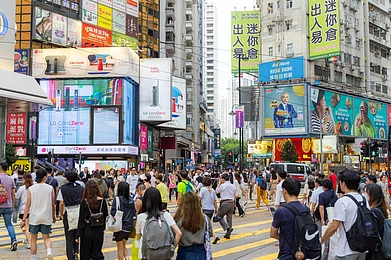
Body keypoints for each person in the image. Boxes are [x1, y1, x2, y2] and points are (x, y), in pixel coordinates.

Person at [321, 170, 369, 259]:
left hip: (346, 250)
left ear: (343, 183)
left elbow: (334, 227)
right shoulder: (364, 199)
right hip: (362, 248)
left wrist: (321, 240)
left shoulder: (342, 201)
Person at [135, 187, 182, 259]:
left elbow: (138, 236)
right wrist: (172, 248)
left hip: (148, 254)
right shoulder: (166, 215)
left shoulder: (141, 217)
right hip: (165, 254)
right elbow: (179, 233)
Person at [270, 177, 308, 260]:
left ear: (284, 191)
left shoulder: (281, 211)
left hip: (287, 254)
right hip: (302, 254)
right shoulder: (306, 209)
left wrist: (285, 238)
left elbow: (272, 234)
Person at [21, 168, 56, 260]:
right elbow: (53, 204)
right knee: (46, 237)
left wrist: (24, 219)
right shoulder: (50, 188)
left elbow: (28, 205)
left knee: (33, 239)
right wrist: (54, 217)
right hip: (46, 217)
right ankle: (49, 251)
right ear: (44, 177)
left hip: (34, 218)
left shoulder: (31, 189)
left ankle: (33, 257)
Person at [174, 192, 212, 259]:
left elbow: (173, 236)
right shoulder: (204, 218)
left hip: (184, 252)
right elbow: (209, 233)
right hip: (201, 252)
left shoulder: (179, 219)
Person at [76, 180, 108, 260]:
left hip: (87, 229)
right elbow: (105, 216)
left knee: (85, 253)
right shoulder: (103, 201)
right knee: (97, 253)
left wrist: (78, 235)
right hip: (99, 230)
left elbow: (81, 219)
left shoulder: (84, 202)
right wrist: (103, 228)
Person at [58, 170, 84, 260]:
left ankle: (70, 257)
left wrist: (61, 214)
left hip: (68, 212)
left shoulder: (63, 188)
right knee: (77, 235)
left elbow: (61, 203)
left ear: (67, 178)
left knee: (69, 237)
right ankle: (76, 252)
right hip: (79, 212)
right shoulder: (81, 188)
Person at [111, 182, 136, 260]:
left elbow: (113, 212)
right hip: (128, 227)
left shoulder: (117, 199)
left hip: (119, 226)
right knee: (123, 245)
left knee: (120, 248)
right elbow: (134, 213)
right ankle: (127, 258)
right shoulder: (131, 200)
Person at [364, 184, 388, 260]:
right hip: (381, 248)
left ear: (372, 195)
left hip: (375, 251)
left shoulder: (373, 212)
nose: (364, 195)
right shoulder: (381, 209)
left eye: (365, 193)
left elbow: (370, 232)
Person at [0, 162, 17, 251]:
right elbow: (13, 194)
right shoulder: (10, 179)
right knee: (9, 224)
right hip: (8, 205)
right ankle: (13, 240)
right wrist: (13, 205)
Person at [16, 172, 33, 249]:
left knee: (24, 227)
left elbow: (17, 196)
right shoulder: (34, 187)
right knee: (29, 227)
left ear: (24, 179)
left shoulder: (22, 188)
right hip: (33, 209)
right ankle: (27, 239)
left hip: (24, 210)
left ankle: (30, 242)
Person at [215, 173, 236, 239]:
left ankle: (227, 228)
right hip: (231, 203)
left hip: (225, 202)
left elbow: (216, 191)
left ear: (223, 179)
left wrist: (219, 184)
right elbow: (236, 195)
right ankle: (228, 234)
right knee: (229, 218)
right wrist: (235, 204)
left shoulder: (223, 186)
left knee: (218, 216)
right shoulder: (233, 186)